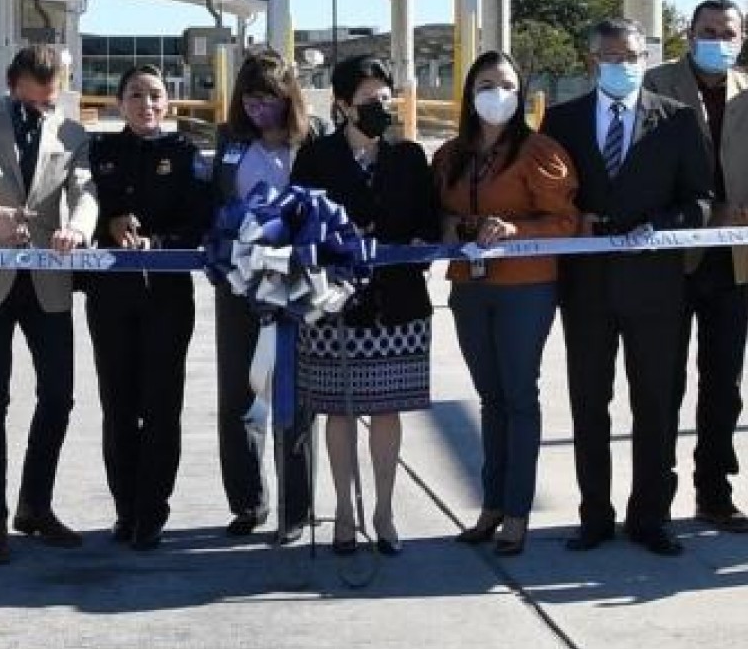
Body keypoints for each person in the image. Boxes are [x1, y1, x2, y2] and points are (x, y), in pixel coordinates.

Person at [541, 18, 713, 557]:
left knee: (656, 404)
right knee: (590, 403)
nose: (625, 66)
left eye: (634, 56)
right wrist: (577, 221)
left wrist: (660, 225)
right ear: (592, 62)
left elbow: (701, 200)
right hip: (587, 288)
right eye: (613, 58)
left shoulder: (677, 119)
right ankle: (595, 515)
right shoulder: (562, 120)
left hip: (656, 288)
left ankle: (651, 516)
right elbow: (548, 199)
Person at [643, 0, 748, 531]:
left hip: (733, 259)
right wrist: (702, 212)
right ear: (689, 35)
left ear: (742, 38)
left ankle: (714, 493)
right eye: (707, 31)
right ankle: (655, 497)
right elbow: (648, 168)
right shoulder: (657, 84)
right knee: (664, 384)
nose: (718, 40)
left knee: (723, 386)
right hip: (671, 257)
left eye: (728, 32)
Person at [0, 44, 99, 566]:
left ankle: (35, 505)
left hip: (47, 279)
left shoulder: (73, 133)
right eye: (33, 101)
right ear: (12, 84)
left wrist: (77, 228)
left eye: (49, 101)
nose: (42, 109)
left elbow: (85, 191)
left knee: (58, 396)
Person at [432, 50, 580, 557]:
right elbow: (437, 212)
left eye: (508, 86)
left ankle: (517, 511)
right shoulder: (450, 155)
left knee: (518, 395)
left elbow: (566, 222)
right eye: (486, 85)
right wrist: (451, 226)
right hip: (469, 287)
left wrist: (515, 230)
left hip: (526, 287)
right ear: (469, 93)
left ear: (521, 94)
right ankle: (491, 504)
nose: (497, 95)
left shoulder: (539, 152)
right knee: (490, 396)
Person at [292, 55, 438, 556]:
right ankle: (344, 512)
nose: (381, 106)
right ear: (343, 106)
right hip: (336, 307)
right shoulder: (316, 158)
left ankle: (384, 511)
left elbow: (428, 221)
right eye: (369, 99)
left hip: (398, 304)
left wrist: (414, 241)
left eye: (385, 97)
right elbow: (298, 221)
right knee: (339, 411)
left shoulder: (409, 156)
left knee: (387, 409)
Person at [84, 65, 211, 550]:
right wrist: (108, 227)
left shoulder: (184, 153)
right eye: (135, 95)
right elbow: (82, 207)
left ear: (168, 103)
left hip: (166, 296)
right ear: (120, 103)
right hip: (110, 297)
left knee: (161, 406)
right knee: (117, 406)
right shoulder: (100, 152)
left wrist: (157, 242)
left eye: (155, 95)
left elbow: (201, 222)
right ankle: (125, 507)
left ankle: (152, 511)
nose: (146, 104)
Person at [209, 51, 318, 543]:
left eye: (269, 99)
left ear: (288, 98)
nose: (259, 110)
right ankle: (248, 501)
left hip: (297, 283)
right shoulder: (229, 140)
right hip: (239, 283)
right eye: (251, 100)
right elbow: (213, 202)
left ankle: (296, 509)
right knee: (239, 391)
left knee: (295, 396)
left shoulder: (311, 140)